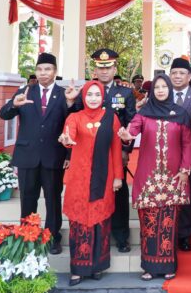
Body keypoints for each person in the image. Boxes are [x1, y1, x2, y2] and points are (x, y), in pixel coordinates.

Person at [0, 53, 80, 256]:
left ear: (55, 71)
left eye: (48, 69)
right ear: (36, 71)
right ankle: (28, 237)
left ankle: (52, 238)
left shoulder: (64, 94)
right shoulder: (25, 91)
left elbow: (74, 122)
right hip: (27, 155)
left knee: (53, 199)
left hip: (54, 156)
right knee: (28, 198)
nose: (43, 73)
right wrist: (14, 104)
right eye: (40, 69)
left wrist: (71, 103)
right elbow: (4, 114)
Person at [118, 74, 191, 281]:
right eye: (157, 87)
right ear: (152, 91)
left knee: (169, 224)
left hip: (173, 176)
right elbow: (132, 130)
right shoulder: (144, 113)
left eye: (164, 87)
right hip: (148, 177)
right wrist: (127, 136)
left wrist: (185, 169)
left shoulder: (181, 113)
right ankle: (149, 267)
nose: (160, 90)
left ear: (169, 89)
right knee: (149, 225)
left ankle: (168, 266)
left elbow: (187, 143)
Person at [57, 81, 123, 286]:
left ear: (103, 96)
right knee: (79, 222)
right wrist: (66, 139)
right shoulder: (74, 117)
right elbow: (69, 135)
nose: (93, 98)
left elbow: (116, 148)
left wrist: (118, 176)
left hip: (104, 177)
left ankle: (97, 266)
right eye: (89, 94)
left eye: (97, 94)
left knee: (100, 221)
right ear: (83, 96)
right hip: (80, 178)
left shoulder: (111, 118)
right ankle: (78, 269)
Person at [76, 48, 137, 253]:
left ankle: (121, 236)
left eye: (108, 67)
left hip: (116, 152)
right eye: (100, 68)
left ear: (114, 69)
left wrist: (126, 150)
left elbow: (131, 123)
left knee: (118, 192)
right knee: (93, 190)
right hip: (89, 152)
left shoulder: (125, 93)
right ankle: (96, 232)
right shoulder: (86, 90)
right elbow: (76, 118)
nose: (104, 71)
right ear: (95, 69)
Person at [169, 56, 191, 252]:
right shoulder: (162, 94)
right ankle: (169, 230)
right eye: (174, 73)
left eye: (182, 73)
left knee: (188, 192)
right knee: (169, 191)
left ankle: (185, 234)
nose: (178, 76)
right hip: (168, 152)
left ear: (189, 76)